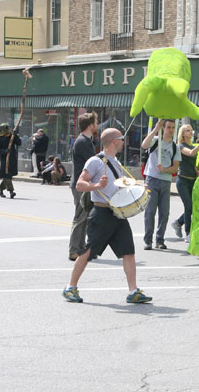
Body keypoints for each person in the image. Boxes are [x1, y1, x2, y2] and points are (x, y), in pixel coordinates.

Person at [62, 128, 152, 304]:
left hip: (117, 213)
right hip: (101, 213)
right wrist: (96, 185)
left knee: (128, 252)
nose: (123, 142)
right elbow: (80, 184)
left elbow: (118, 188)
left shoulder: (116, 162)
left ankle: (133, 291)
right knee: (88, 252)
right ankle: (70, 287)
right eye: (121, 139)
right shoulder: (95, 162)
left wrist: (137, 189)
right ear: (113, 141)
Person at [141, 119, 181, 250]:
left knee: (164, 213)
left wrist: (164, 169)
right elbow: (144, 145)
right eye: (168, 127)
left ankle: (160, 240)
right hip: (152, 179)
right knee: (150, 211)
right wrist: (155, 129)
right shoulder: (156, 140)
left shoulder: (175, 147)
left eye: (173, 127)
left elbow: (175, 167)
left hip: (166, 182)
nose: (171, 130)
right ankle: (148, 240)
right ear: (163, 128)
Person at [69, 112, 99, 261]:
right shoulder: (82, 142)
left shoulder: (87, 140)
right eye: (96, 122)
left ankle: (81, 249)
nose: (97, 125)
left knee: (85, 218)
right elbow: (94, 162)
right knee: (80, 218)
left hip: (84, 185)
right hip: (80, 185)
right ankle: (74, 250)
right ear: (90, 125)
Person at [170, 125, 199, 241]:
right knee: (189, 206)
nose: (191, 132)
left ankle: (178, 223)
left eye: (191, 130)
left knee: (193, 207)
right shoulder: (180, 146)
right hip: (183, 180)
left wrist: (198, 172)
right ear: (182, 134)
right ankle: (188, 232)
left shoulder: (192, 146)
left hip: (193, 180)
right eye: (188, 130)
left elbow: (193, 162)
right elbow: (191, 153)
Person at [0, 123, 21, 199]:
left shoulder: (11, 136)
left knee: (8, 175)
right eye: (8, 128)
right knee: (7, 175)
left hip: (12, 158)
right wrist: (5, 151)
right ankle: (11, 191)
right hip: (5, 159)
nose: (9, 129)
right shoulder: (0, 138)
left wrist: (15, 136)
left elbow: (19, 143)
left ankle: (0, 189)